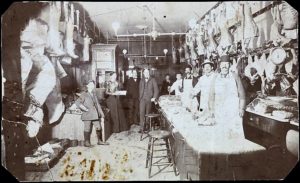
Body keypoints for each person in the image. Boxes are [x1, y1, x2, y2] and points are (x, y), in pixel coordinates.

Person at [208, 55, 246, 137]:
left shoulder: (235, 76)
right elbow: (211, 95)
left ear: (229, 65)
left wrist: (241, 108)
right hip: (219, 111)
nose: (224, 66)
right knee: (220, 133)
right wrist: (211, 110)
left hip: (233, 111)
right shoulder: (215, 77)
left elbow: (242, 94)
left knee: (234, 134)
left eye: (227, 64)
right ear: (220, 65)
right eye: (223, 64)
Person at [75, 80, 108, 147]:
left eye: (93, 84)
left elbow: (97, 104)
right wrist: (85, 109)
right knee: (87, 128)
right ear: (87, 86)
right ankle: (86, 143)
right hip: (87, 115)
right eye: (90, 84)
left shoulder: (94, 94)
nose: (92, 86)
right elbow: (78, 103)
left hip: (95, 115)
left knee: (98, 127)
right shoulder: (84, 94)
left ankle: (100, 141)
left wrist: (101, 113)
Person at [139, 68, 159, 133]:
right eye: (145, 72)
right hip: (142, 99)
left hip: (149, 99)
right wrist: (140, 97)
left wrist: (154, 97)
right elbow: (140, 89)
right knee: (141, 113)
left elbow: (156, 90)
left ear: (149, 73)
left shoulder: (153, 80)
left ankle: (147, 127)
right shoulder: (141, 80)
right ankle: (142, 128)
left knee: (148, 113)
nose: (146, 74)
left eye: (147, 72)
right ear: (143, 73)